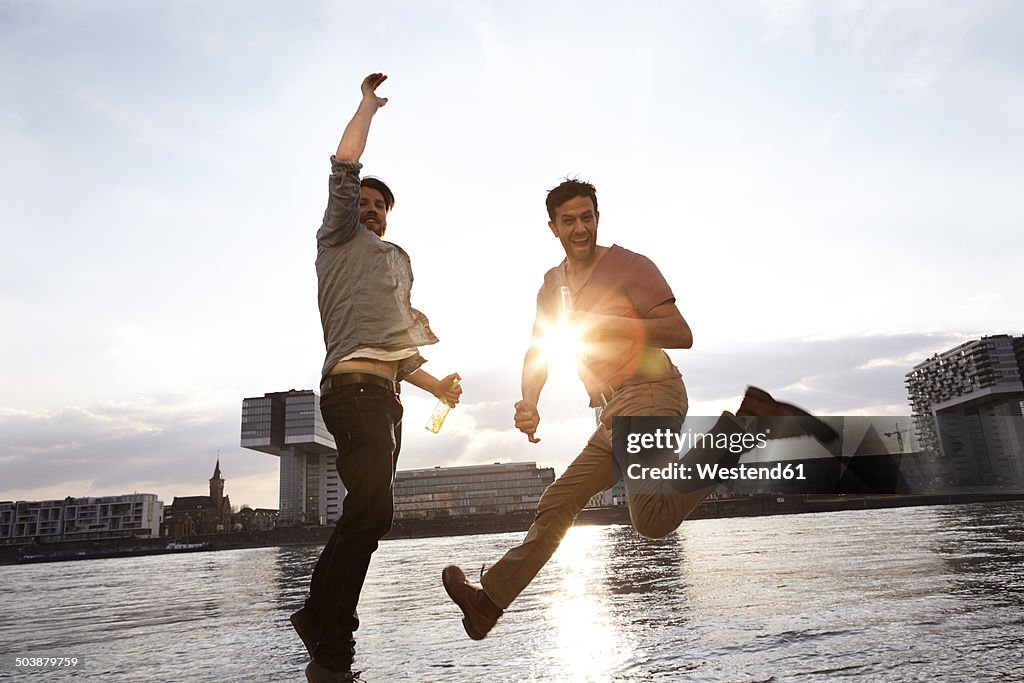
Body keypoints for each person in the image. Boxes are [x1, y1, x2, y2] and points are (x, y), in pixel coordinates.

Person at [442, 178, 836, 640]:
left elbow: (680, 332)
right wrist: (529, 401)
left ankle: (751, 423)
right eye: (569, 220)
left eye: (587, 217)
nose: (580, 228)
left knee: (648, 517)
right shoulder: (552, 287)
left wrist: (607, 323)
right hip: (612, 411)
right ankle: (486, 603)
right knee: (561, 500)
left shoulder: (629, 265)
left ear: (597, 218)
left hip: (652, 390)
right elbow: (539, 351)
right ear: (553, 227)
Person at [291, 73, 463, 683]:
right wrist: (366, 107)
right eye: (363, 202)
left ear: (388, 217)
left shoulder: (394, 263)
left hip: (383, 399)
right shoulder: (338, 238)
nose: (369, 210)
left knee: (368, 513)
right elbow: (343, 164)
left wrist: (438, 386)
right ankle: (330, 637)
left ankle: (319, 618)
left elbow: (395, 350)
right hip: (352, 393)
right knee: (371, 512)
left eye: (378, 206)